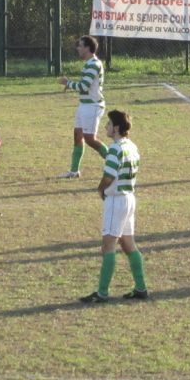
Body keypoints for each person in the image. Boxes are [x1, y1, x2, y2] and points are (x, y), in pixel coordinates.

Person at [80, 110, 149, 303]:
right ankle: (141, 288)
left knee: (108, 246)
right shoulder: (132, 146)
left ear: (116, 128)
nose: (106, 127)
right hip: (129, 198)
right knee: (128, 245)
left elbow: (109, 176)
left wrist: (100, 189)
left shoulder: (115, 149)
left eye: (109, 124)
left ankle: (102, 293)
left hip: (116, 200)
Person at [57, 35, 107, 178]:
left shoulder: (93, 64)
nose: (77, 48)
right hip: (85, 105)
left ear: (87, 48)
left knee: (90, 139)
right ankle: (74, 171)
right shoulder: (89, 63)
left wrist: (68, 83)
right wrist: (71, 84)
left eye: (80, 45)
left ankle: (115, 162)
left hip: (92, 106)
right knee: (78, 135)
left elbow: (84, 86)